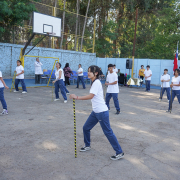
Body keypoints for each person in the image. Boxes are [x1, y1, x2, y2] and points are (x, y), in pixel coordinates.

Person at [69, 65, 124, 160]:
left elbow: (91, 96)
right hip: (96, 112)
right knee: (86, 128)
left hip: (102, 112)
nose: (88, 73)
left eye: (90, 71)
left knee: (108, 132)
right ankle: (87, 145)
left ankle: (119, 152)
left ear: (96, 73)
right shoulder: (94, 82)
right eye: (88, 71)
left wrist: (77, 97)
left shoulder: (96, 83)